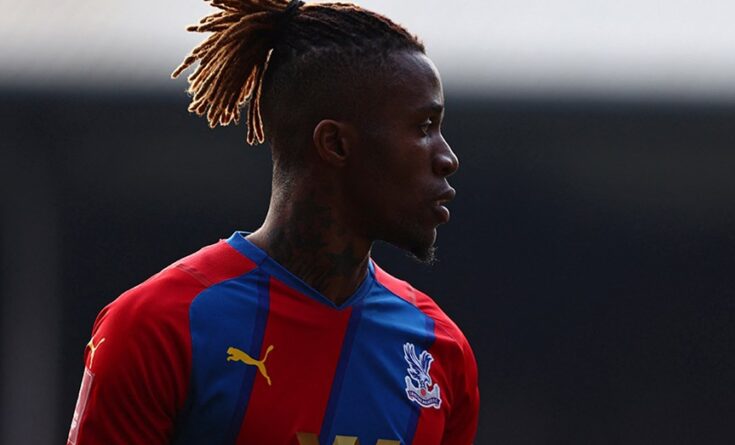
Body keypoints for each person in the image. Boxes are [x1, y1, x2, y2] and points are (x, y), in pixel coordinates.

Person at [67, 1, 479, 444]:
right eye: (424, 127)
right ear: (335, 144)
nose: (447, 158)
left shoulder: (439, 351)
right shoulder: (157, 327)